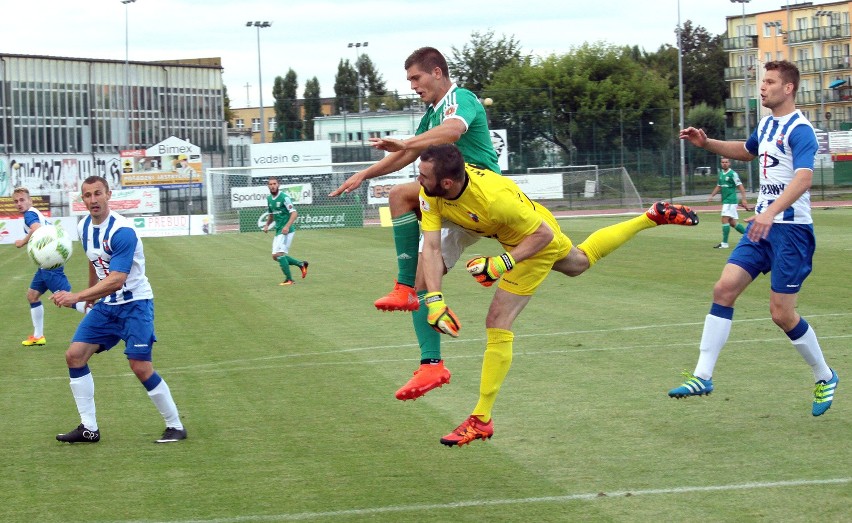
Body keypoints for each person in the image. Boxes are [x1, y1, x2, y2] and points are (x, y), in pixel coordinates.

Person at [414, 144, 698, 447]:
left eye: (423, 175)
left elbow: (543, 236)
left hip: (535, 239)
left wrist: (502, 263)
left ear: (447, 182)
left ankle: (480, 419)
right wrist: (435, 300)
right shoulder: (431, 194)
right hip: (528, 227)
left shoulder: (494, 200)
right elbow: (431, 248)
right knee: (579, 263)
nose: (418, 180)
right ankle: (651, 216)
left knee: (498, 322)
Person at [328, 46, 499, 401]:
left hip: (481, 191)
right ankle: (431, 365)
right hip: (456, 203)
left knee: (401, 197)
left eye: (415, 78)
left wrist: (406, 143)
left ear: (437, 72)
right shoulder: (430, 115)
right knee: (425, 277)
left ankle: (403, 288)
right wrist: (363, 174)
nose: (413, 86)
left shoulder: (459, 99)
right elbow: (406, 153)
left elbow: (452, 132)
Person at [672, 60, 838, 417]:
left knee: (781, 314)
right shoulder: (766, 124)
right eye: (763, 81)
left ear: (788, 88)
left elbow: (804, 178)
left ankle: (824, 375)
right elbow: (746, 151)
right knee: (724, 289)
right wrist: (707, 143)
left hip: (790, 232)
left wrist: (769, 211)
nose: (762, 88)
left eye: (770, 82)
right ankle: (703, 375)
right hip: (762, 227)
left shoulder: (801, 129)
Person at [51, 176, 186, 444]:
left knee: (140, 366)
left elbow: (117, 278)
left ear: (108, 195)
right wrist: (90, 298)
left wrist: (77, 295)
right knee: (75, 356)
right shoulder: (84, 227)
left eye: (97, 194)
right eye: (87, 195)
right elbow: (94, 261)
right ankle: (89, 428)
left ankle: (176, 426)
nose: (92, 200)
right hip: (107, 307)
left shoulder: (122, 231)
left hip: (135, 305)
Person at [13, 186, 87, 346]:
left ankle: (100, 314)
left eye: (22, 200)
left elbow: (36, 229)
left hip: (49, 264)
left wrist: (22, 242)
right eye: (16, 201)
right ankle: (38, 336)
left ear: (30, 201)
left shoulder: (29, 215)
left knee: (67, 300)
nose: (19, 203)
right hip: (45, 264)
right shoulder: (34, 212)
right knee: (32, 296)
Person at [263, 177, 308, 286]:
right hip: (279, 231)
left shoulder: (284, 197)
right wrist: (267, 224)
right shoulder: (269, 199)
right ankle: (301, 264)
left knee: (279, 254)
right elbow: (271, 215)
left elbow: (294, 213)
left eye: (274, 183)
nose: (273, 186)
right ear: (268, 186)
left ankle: (289, 280)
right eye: (270, 184)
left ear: (278, 185)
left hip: (287, 231)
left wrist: (287, 226)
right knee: (275, 256)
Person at [708, 157, 750, 248]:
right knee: (732, 222)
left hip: (730, 200)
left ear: (729, 163)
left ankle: (724, 243)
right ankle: (750, 237)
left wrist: (744, 199)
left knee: (724, 219)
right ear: (721, 163)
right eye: (723, 162)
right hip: (726, 201)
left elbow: (741, 187)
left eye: (726, 162)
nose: (724, 164)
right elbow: (719, 186)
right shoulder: (721, 174)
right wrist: (712, 195)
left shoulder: (733, 174)